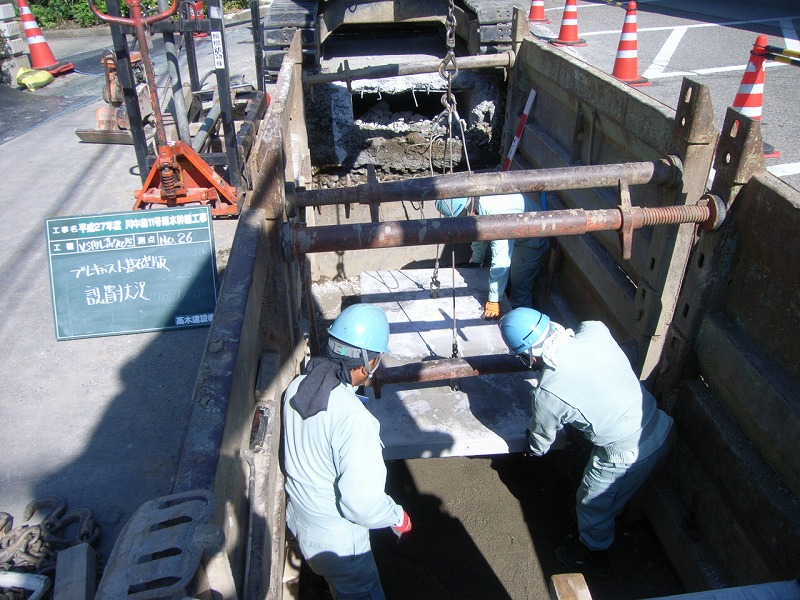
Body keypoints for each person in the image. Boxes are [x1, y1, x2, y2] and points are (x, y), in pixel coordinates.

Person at [498, 307, 674, 578]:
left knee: (591, 502)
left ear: (528, 354)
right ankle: (604, 521)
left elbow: (542, 440)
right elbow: (587, 327)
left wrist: (531, 450)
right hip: (659, 425)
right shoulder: (595, 331)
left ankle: (594, 553)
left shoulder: (548, 391)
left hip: (624, 453)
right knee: (618, 493)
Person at [282, 303, 412, 599]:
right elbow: (361, 504)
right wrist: (396, 516)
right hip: (340, 547)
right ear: (368, 362)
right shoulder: (356, 421)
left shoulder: (299, 387)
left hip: (302, 526)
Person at [436, 194, 548, 319]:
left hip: (530, 240)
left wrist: (494, 300)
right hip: (515, 233)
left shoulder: (499, 217)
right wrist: (476, 261)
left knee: (520, 284)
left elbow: (501, 260)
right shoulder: (478, 206)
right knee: (510, 279)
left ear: (467, 210)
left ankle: (522, 321)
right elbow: (479, 232)